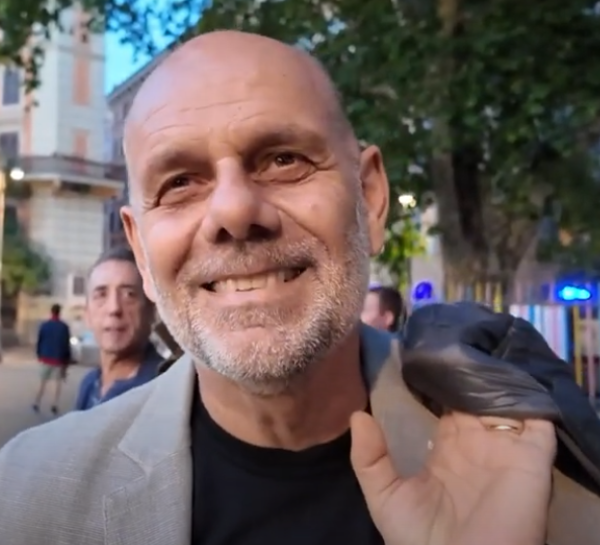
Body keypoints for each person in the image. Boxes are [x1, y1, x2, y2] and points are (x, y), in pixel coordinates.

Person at [0, 31, 596, 545]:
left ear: (370, 198)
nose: (233, 210)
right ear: (140, 252)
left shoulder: (548, 485)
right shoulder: (28, 495)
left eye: (284, 160)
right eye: (180, 181)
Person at [74, 246, 163, 411]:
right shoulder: (89, 385)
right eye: (101, 295)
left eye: (129, 294)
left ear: (152, 311)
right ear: (87, 314)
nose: (114, 308)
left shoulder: (166, 392)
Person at [32, 303, 71, 415]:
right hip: (58, 359)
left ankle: (36, 402)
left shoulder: (44, 325)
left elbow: (39, 341)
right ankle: (54, 404)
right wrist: (66, 361)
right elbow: (66, 345)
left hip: (45, 357)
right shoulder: (64, 327)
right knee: (57, 383)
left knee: (42, 382)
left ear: (51, 312)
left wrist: (39, 354)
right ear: (60, 312)